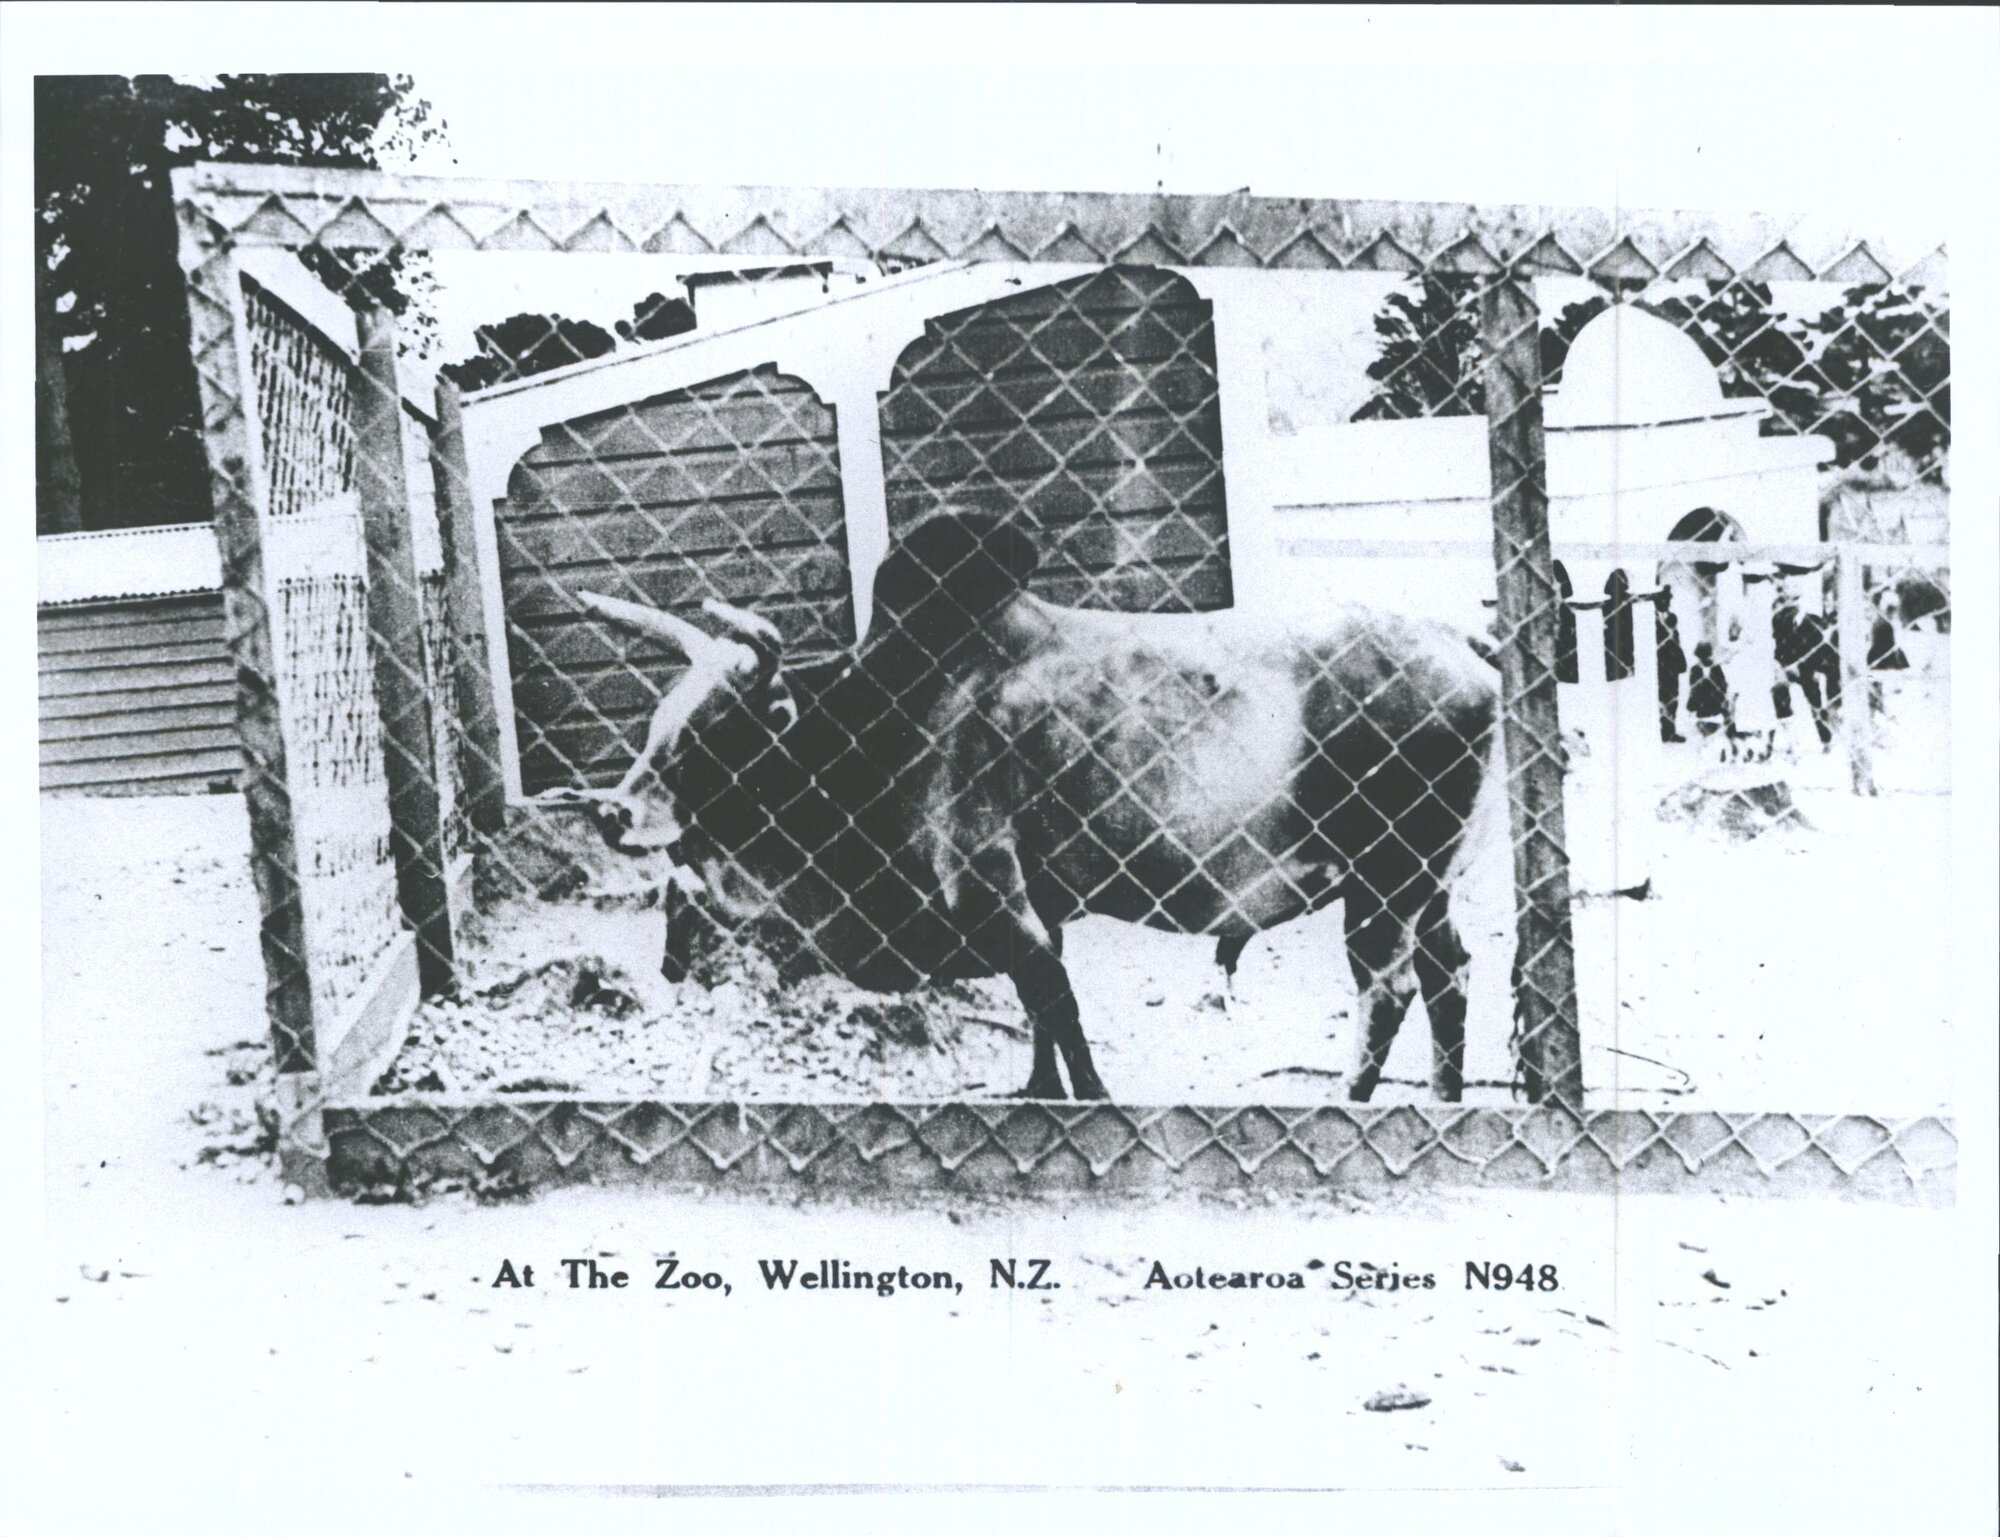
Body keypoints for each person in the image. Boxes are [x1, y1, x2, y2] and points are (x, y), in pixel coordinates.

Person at [1774, 596, 1838, 749]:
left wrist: (1815, 669)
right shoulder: (1779, 620)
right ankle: (1790, 740)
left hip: (1808, 667)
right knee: (1780, 693)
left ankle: (1825, 737)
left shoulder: (1812, 621)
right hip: (1789, 666)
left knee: (1815, 700)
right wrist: (1783, 665)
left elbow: (1821, 647)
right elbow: (1779, 646)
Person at [1722, 615, 1779, 763]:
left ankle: (1756, 749)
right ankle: (1756, 749)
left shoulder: (1744, 655)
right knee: (1756, 722)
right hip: (1752, 694)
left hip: (1752, 694)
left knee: (1754, 722)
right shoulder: (1743, 655)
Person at [1654, 596, 1687, 742]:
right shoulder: (1652, 619)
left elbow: (1676, 642)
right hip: (1660, 666)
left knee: (1673, 699)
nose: (1667, 603)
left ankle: (1670, 731)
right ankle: (1663, 731)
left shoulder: (1671, 617)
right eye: (1665, 600)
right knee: (1661, 698)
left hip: (1672, 667)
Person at [1685, 640, 1730, 746]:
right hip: (1709, 705)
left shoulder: (1702, 669)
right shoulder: (1710, 668)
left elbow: (1693, 689)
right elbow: (1723, 686)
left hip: (1708, 705)